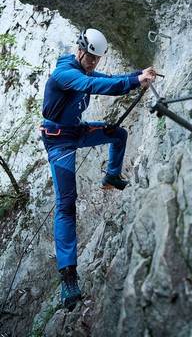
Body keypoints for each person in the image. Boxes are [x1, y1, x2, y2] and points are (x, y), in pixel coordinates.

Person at [40, 28, 156, 310]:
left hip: (75, 131)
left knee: (118, 134)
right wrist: (134, 80)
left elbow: (108, 80)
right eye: (89, 57)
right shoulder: (64, 73)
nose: (92, 63)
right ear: (79, 49)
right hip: (58, 143)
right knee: (66, 204)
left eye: (96, 59)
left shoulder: (87, 71)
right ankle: (68, 278)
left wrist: (137, 76)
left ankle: (112, 176)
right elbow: (94, 85)